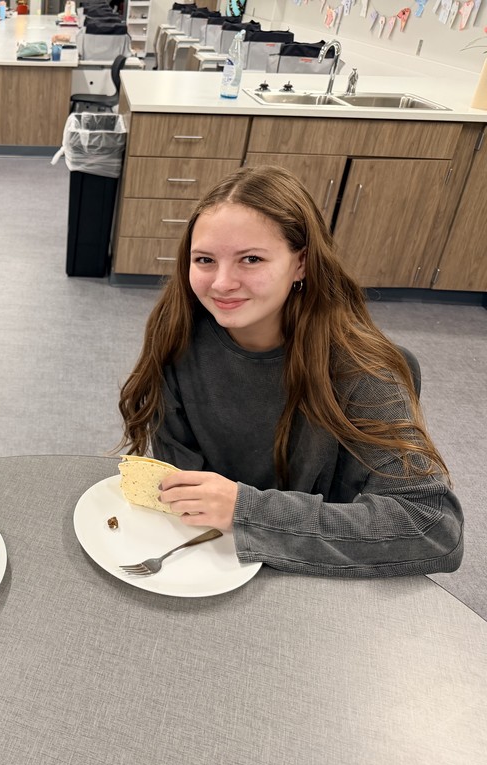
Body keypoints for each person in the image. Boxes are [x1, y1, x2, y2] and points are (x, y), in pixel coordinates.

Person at [118, 165, 462, 577]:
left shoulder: (362, 369)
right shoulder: (176, 338)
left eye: (251, 259)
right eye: (205, 260)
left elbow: (431, 525)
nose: (222, 282)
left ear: (300, 264)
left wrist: (248, 511)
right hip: (211, 563)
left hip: (321, 574)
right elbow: (181, 483)